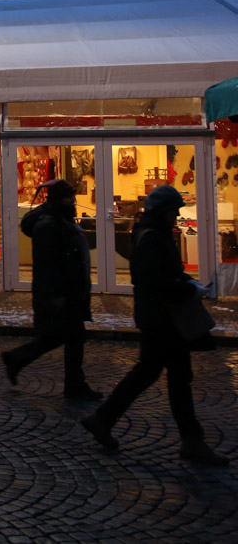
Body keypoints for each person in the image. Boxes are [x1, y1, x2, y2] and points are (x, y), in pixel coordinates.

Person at [81, 185, 229, 465]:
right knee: (168, 376)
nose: (177, 215)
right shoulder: (153, 238)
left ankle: (106, 420)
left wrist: (184, 282)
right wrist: (186, 288)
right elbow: (153, 279)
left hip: (157, 316)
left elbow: (160, 274)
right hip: (162, 317)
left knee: (161, 374)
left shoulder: (149, 233)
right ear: (164, 211)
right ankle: (189, 440)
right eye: (174, 210)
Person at [1, 179, 101, 400]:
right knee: (72, 337)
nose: (73, 201)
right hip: (61, 293)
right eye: (69, 197)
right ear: (59, 199)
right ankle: (75, 386)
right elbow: (48, 265)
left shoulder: (60, 219)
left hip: (68, 291)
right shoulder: (50, 224)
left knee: (58, 337)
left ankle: (17, 359)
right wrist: (57, 294)